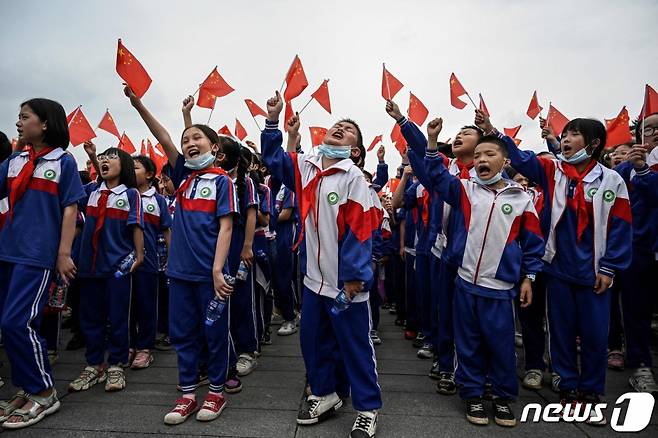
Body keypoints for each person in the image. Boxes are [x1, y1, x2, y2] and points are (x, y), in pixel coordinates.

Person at [477, 112, 632, 425]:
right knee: (560, 334)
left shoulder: (611, 180)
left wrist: (609, 267)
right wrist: (494, 132)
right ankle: (568, 390)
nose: (565, 139)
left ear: (594, 143)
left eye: (574, 134)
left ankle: (591, 393)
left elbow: (620, 226)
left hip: (594, 273)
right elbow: (521, 159)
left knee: (593, 336)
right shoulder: (552, 170)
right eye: (564, 134)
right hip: (558, 269)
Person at [262, 91, 381, 438]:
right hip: (314, 281)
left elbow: (360, 232)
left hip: (346, 285)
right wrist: (274, 120)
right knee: (313, 341)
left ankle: (368, 408)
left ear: (354, 150)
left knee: (355, 347)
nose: (339, 128)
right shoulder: (307, 168)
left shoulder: (353, 178)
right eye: (336, 125)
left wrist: (355, 277)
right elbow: (273, 157)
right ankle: (325, 392)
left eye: (348, 129)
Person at [125, 87, 238, 423]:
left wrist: (218, 271)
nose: (189, 143)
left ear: (214, 148)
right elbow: (161, 136)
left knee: (214, 334)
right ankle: (188, 393)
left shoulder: (221, 183)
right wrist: (138, 104)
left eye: (197, 138)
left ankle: (216, 392)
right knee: (184, 335)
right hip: (180, 274)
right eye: (186, 138)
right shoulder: (183, 177)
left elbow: (227, 229)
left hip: (210, 275)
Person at [424, 117, 544, 427]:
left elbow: (533, 245)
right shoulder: (464, 190)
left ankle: (503, 397)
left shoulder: (521, 200)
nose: (481, 160)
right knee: (468, 344)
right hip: (465, 284)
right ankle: (473, 395)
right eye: (477, 156)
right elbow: (436, 175)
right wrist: (433, 141)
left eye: (489, 154)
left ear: (505, 160)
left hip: (500, 289)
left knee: (502, 346)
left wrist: (529, 278)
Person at [0, 98, 85, 429]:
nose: (19, 123)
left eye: (24, 117)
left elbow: (70, 209)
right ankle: (26, 386)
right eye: (18, 117)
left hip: (36, 256)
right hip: (7, 251)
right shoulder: (14, 160)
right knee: (12, 326)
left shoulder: (62, 161)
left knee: (16, 323)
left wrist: (63, 253)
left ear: (45, 123)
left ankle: (45, 391)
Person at [69, 146, 144, 393]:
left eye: (111, 157)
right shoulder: (90, 191)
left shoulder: (131, 194)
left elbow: (136, 227)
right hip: (89, 266)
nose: (104, 160)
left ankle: (116, 365)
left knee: (119, 317)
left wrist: (139, 255)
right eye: (102, 158)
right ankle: (94, 365)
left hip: (117, 267)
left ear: (123, 165)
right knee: (90, 317)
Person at [612, 111, 658, 394]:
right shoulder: (626, 170)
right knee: (637, 310)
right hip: (639, 248)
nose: (655, 133)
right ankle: (641, 364)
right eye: (650, 129)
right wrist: (639, 168)